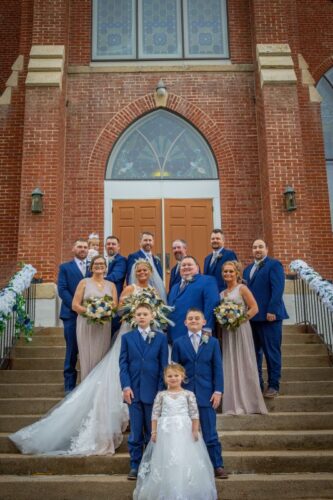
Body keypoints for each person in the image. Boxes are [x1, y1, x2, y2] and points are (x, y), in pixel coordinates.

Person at [9, 261, 163, 456]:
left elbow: (156, 310)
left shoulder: (153, 291)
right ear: (135, 273)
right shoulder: (128, 288)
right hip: (129, 331)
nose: (142, 272)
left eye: (145, 270)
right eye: (139, 270)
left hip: (148, 333)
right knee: (118, 368)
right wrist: (133, 313)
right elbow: (120, 308)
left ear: (150, 272)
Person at [133, 363, 217, 500]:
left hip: (184, 432)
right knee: (166, 458)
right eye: (169, 376)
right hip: (166, 432)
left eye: (176, 375)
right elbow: (155, 415)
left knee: (184, 458)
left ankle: (185, 490)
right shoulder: (161, 395)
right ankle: (166, 490)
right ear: (165, 378)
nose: (173, 378)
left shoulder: (188, 394)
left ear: (182, 377)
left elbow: (194, 414)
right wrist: (154, 432)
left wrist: (195, 430)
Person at [172, 308, 227, 479]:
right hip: (185, 394)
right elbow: (175, 370)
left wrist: (218, 391)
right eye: (190, 318)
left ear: (204, 322)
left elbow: (218, 368)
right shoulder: (178, 343)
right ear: (185, 322)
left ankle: (217, 465)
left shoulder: (213, 343)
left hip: (206, 393)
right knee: (185, 432)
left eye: (197, 318)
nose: (194, 320)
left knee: (210, 432)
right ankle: (187, 467)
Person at [120, 303, 169, 480]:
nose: (141, 317)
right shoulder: (127, 338)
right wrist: (126, 387)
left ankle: (150, 464)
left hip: (153, 392)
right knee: (135, 432)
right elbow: (123, 364)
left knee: (151, 432)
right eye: (138, 314)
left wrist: (160, 392)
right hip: (133, 392)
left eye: (145, 314)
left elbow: (164, 366)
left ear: (151, 316)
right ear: (134, 317)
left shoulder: (161, 338)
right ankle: (135, 465)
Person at [220, 261, 267, 415]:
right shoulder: (222, 294)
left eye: (231, 271)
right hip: (228, 332)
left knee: (243, 361)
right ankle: (233, 403)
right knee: (230, 363)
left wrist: (239, 320)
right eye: (225, 271)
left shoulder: (242, 289)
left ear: (237, 273)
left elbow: (254, 308)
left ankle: (249, 402)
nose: (228, 274)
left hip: (241, 329)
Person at [243, 239, 289, 398]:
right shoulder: (247, 269)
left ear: (267, 249)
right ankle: (258, 384)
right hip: (252, 319)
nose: (257, 249)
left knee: (272, 352)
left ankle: (273, 385)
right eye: (255, 247)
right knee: (254, 353)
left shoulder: (274, 265)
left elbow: (278, 289)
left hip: (270, 318)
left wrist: (272, 310)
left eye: (260, 247)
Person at [72, 254, 118, 380]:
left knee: (101, 355)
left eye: (101, 264)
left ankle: (99, 389)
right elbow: (75, 305)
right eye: (96, 264)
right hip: (86, 324)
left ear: (105, 268)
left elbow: (114, 306)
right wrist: (91, 312)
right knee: (87, 356)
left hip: (104, 325)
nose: (99, 266)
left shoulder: (111, 285)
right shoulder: (84, 282)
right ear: (91, 267)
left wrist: (103, 313)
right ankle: (85, 386)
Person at [57, 239, 90, 393]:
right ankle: (69, 386)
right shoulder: (65, 267)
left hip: (91, 316)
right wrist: (76, 307)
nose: (82, 249)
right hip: (71, 314)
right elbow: (62, 289)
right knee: (72, 349)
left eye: (85, 247)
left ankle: (87, 384)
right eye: (79, 246)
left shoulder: (94, 267)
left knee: (89, 349)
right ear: (73, 248)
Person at [168, 256, 220, 344]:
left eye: (189, 265)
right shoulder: (174, 287)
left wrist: (207, 328)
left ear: (197, 267)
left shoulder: (207, 280)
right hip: (174, 336)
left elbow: (211, 304)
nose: (186, 267)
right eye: (183, 265)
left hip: (196, 333)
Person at [127, 232, 166, 302]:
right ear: (140, 242)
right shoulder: (133, 256)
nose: (148, 242)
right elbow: (130, 277)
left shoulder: (156, 259)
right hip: (141, 294)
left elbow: (160, 277)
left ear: (153, 242)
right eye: (145, 240)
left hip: (156, 294)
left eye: (150, 240)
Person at [105, 235, 127, 300]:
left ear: (118, 247)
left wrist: (97, 280)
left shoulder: (121, 260)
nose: (110, 246)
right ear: (105, 246)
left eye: (113, 244)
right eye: (108, 244)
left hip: (114, 296)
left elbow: (115, 276)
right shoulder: (101, 259)